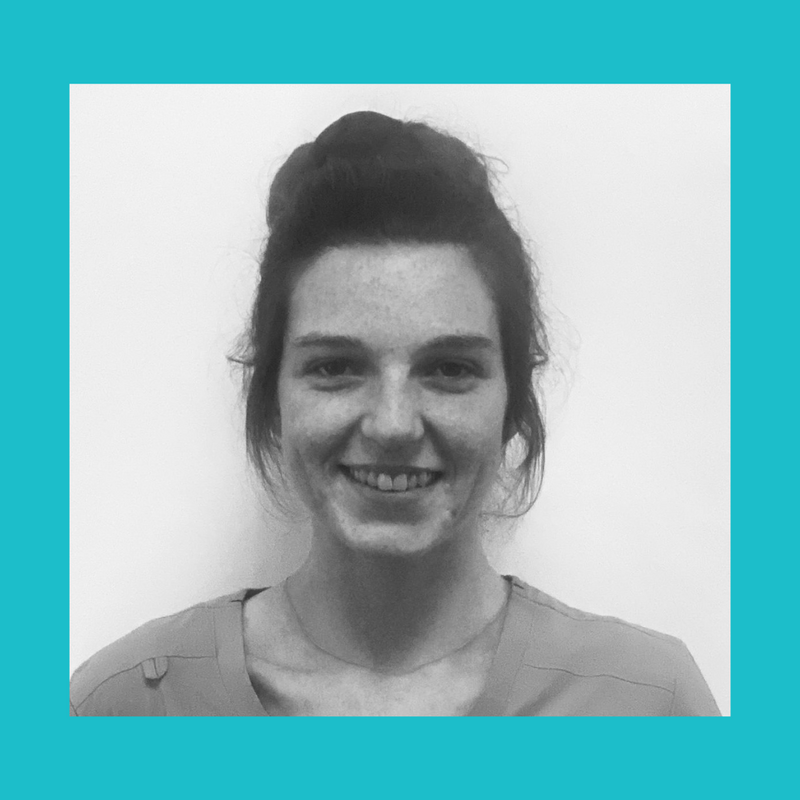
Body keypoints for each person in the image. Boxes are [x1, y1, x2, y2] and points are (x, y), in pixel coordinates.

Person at [70, 110, 720, 716]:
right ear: (272, 397)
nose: (392, 425)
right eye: (335, 367)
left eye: (449, 369)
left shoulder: (647, 704)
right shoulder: (126, 706)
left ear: (514, 402)